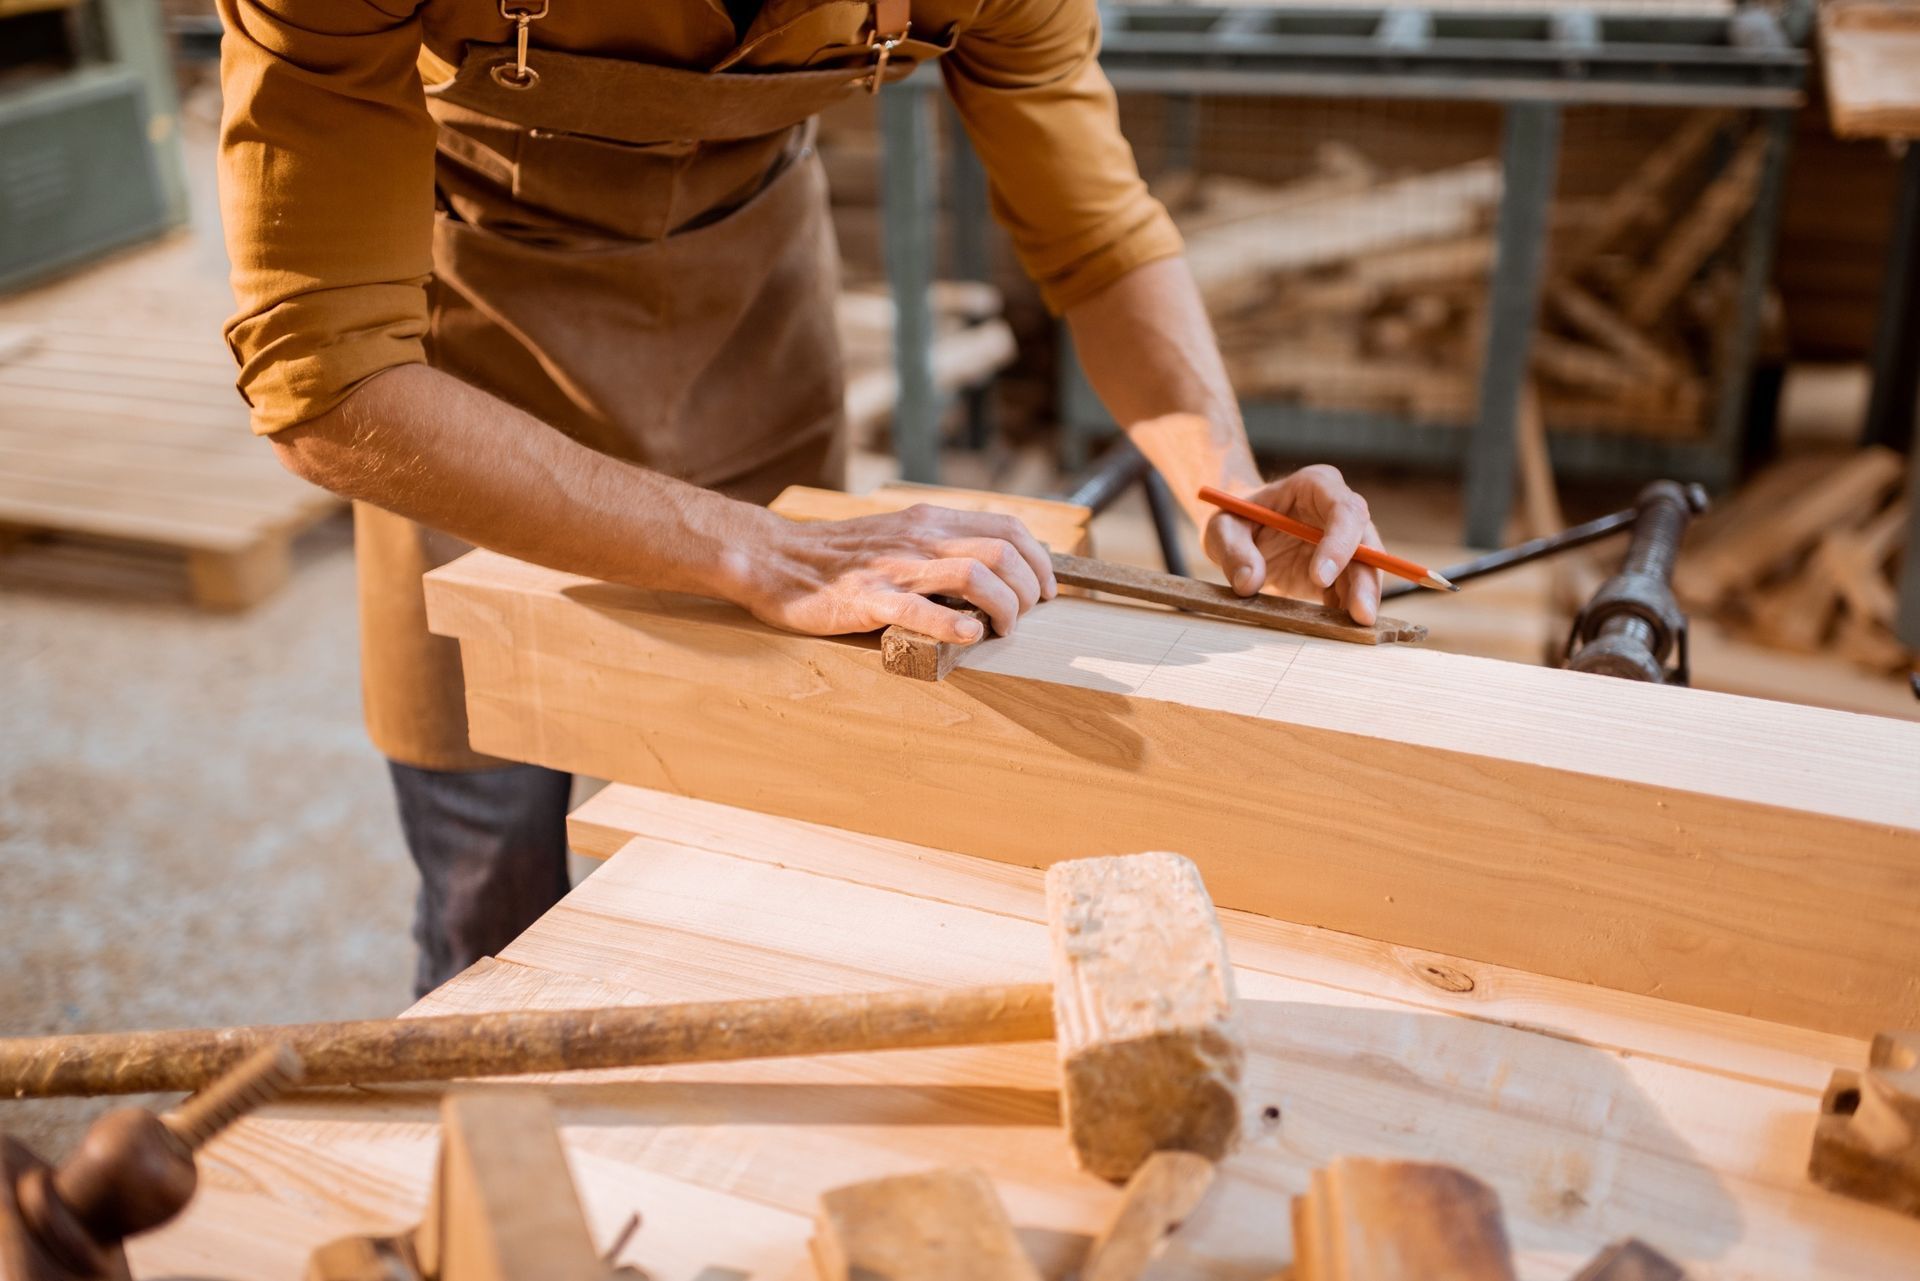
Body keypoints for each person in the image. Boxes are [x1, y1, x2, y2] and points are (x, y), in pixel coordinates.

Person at [215, 0, 1386, 995]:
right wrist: (765, 557)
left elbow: (1100, 235)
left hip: (752, 342)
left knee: (756, 870)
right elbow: (324, 378)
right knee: (493, 894)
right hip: (459, 393)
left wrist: (1225, 480)